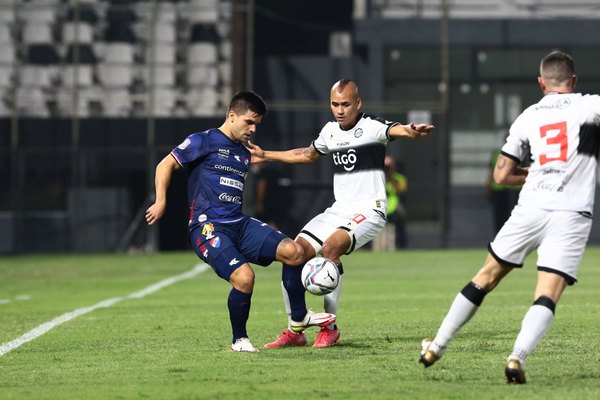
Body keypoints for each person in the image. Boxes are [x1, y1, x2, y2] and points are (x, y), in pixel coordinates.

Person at [420, 50, 600, 384]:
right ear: (573, 81)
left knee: (485, 277)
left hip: (530, 207)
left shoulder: (528, 116)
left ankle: (436, 346)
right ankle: (517, 357)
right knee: (547, 293)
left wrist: (534, 172)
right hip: (571, 213)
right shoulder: (590, 106)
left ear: (541, 82)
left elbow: (501, 175)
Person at [145, 91, 335, 353]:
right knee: (245, 278)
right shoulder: (204, 140)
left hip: (239, 224)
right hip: (208, 227)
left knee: (294, 252)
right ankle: (240, 339)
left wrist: (312, 150)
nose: (253, 129)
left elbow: (293, 156)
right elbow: (165, 165)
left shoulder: (245, 153)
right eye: (249, 122)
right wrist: (161, 201)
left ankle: (299, 318)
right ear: (231, 116)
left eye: (256, 124)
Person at [249, 79, 434, 348]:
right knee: (293, 252)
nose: (340, 109)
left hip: (370, 210)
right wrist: (265, 154)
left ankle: (330, 328)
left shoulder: (371, 126)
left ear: (358, 103)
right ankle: (296, 329)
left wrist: (411, 130)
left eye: (345, 104)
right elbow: (307, 155)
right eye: (335, 104)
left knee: (331, 248)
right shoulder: (329, 132)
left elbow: (396, 130)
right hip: (339, 210)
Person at [486, 148, 520, 235]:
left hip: (506, 189)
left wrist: (488, 186)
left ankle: (503, 236)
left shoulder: (498, 154)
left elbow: (491, 172)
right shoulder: (520, 153)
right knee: (507, 216)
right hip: (511, 189)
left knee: (503, 216)